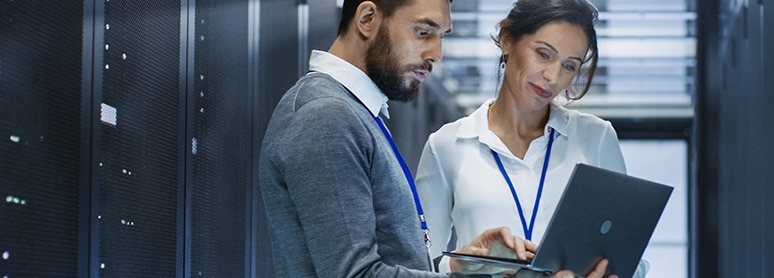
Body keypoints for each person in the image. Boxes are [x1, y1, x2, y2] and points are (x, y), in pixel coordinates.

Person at [258, 0, 612, 277]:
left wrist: (462, 265)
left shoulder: (358, 114)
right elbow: (356, 274)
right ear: (366, 19)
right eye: (423, 32)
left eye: (442, 35)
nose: (437, 54)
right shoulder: (326, 116)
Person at [414, 0, 647, 276]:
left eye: (569, 66)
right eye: (544, 54)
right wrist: (457, 265)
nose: (553, 76)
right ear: (507, 39)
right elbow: (418, 261)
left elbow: (628, 255)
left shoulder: (596, 138)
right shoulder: (447, 146)